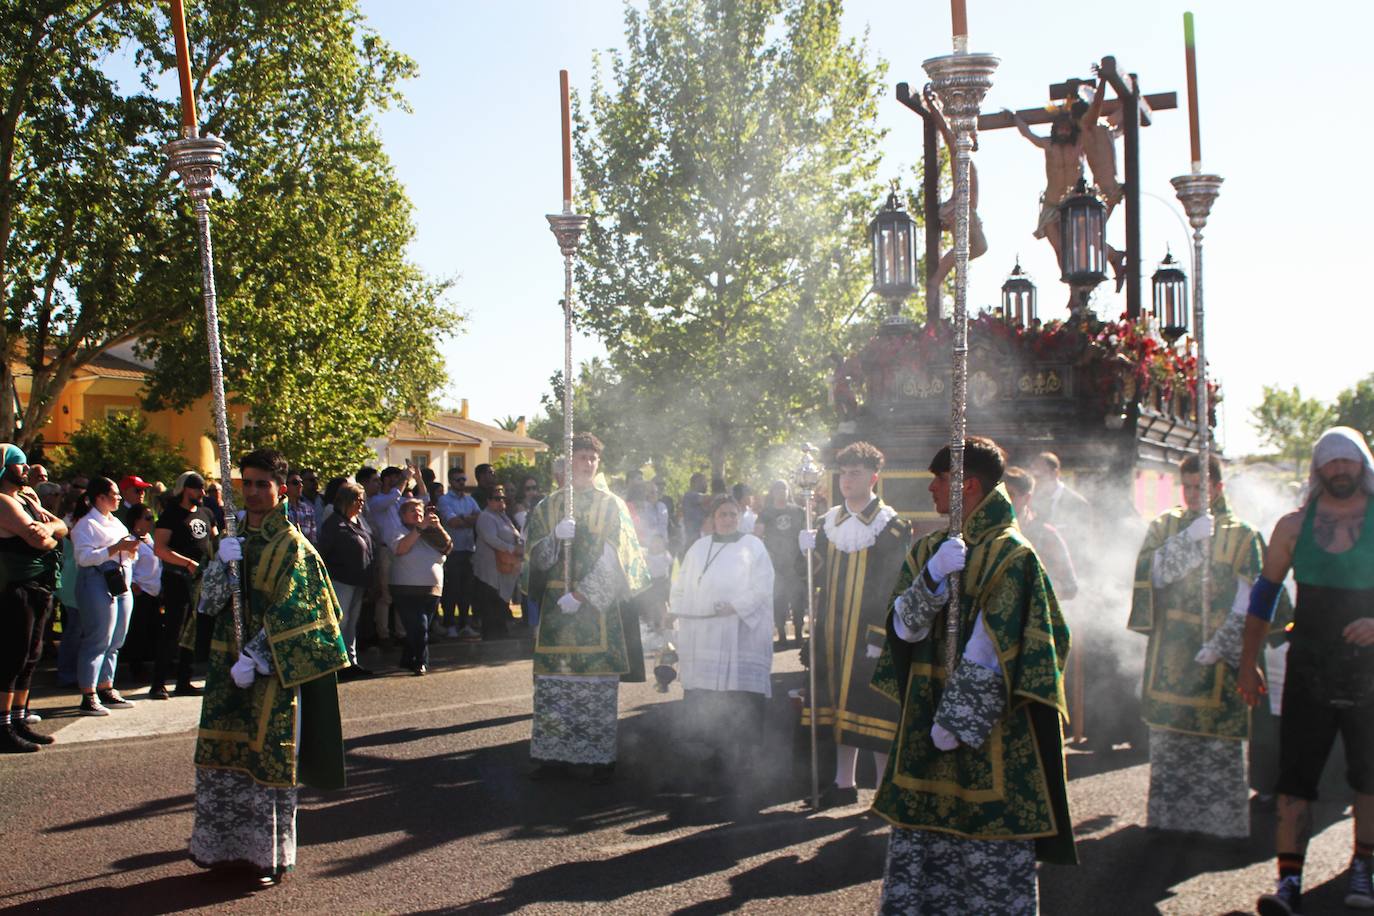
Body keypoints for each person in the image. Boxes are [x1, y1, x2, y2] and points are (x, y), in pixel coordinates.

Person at [872, 436, 1075, 914]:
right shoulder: (929, 550)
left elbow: (998, 643)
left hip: (988, 731)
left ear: (969, 484)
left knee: (989, 854)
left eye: (940, 480)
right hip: (927, 722)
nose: (931, 490)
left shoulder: (1013, 555)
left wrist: (958, 720)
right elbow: (903, 624)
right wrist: (933, 579)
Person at [189, 448, 348, 884]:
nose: (255, 492)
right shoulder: (229, 536)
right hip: (227, 667)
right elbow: (209, 602)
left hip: (269, 671)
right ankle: (224, 849)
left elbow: (302, 612)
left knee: (265, 759)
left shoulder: (293, 547)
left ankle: (264, 856)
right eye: (248, 483)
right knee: (224, 753)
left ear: (281, 490)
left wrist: (257, 657)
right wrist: (220, 564)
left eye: (264, 484)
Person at [1239, 428, 1374, 915]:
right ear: (1318, 470)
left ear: (1363, 465)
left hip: (1371, 670)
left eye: (1348, 462)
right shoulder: (1293, 526)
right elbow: (1264, 594)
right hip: (1309, 665)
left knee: (1369, 775)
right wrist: (1248, 660)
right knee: (1294, 778)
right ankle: (1288, 884)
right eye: (1331, 463)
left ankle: (1364, 868)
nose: (1340, 470)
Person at [1128, 453, 1278, 840]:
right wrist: (1188, 542)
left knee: (1217, 749)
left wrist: (1223, 644)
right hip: (1172, 653)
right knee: (1172, 744)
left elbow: (1252, 599)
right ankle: (1168, 825)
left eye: (1202, 487)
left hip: (1219, 655)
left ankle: (1218, 831)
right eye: (1189, 487)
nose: (1195, 495)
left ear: (1218, 487)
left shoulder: (1243, 534)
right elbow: (1152, 576)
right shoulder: (1166, 526)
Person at [525, 433, 650, 783]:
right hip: (555, 609)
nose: (588, 463)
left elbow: (618, 557)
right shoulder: (548, 506)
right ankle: (552, 756)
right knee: (555, 684)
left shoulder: (612, 505)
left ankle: (596, 757)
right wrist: (554, 538)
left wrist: (581, 595)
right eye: (581, 457)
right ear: (569, 461)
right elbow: (533, 558)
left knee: (594, 687)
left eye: (593, 458)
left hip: (596, 610)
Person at [797, 441, 911, 808]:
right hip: (832, 629)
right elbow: (815, 580)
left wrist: (879, 636)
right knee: (839, 709)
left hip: (869, 633)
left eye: (855, 473)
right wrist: (806, 553)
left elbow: (894, 585)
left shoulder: (892, 526)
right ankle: (843, 784)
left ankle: (883, 791)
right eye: (843, 473)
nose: (847, 480)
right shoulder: (825, 524)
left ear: (874, 478)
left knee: (874, 711)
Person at [670, 494, 774, 778]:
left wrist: (737, 607)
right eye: (722, 515)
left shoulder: (754, 546)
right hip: (704, 635)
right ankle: (712, 753)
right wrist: (674, 610)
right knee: (708, 697)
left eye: (733, 514)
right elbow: (681, 586)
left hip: (740, 634)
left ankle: (746, 757)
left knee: (739, 696)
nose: (728, 520)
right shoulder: (698, 548)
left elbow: (763, 587)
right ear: (712, 519)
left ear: (740, 516)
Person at [0, 444, 65, 751]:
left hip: (39, 586)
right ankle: (3, 725)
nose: (26, 469)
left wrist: (49, 529)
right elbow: (38, 540)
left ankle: (19, 719)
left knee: (31, 657)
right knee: (12, 658)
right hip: (17, 587)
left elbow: (62, 526)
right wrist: (50, 533)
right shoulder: (2, 502)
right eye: (19, 464)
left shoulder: (25, 498)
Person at [70, 476, 140, 716]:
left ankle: (106, 686)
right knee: (98, 638)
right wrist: (116, 549)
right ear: (100, 497)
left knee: (116, 639)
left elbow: (126, 550)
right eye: (115, 494)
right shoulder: (86, 525)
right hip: (96, 582)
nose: (119, 498)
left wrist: (131, 550)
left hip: (120, 582)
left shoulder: (116, 523)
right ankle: (88, 694)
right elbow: (84, 558)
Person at [151, 471, 216, 700]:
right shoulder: (171, 515)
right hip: (177, 578)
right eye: (197, 488)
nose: (201, 493)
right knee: (173, 630)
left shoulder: (206, 513)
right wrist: (187, 563)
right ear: (185, 489)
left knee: (193, 632)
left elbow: (214, 541)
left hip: (201, 580)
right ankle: (158, 682)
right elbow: (159, 548)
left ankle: (184, 679)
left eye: (203, 489)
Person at [317, 482, 374, 678]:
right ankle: (336, 663)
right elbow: (322, 552)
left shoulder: (358, 521)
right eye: (357, 500)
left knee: (352, 623)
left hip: (358, 579)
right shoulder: (333, 523)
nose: (361, 504)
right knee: (341, 622)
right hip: (340, 580)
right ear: (345, 500)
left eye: (362, 500)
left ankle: (351, 661)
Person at [389, 497, 450, 674]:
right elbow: (400, 549)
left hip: (432, 589)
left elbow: (447, 547)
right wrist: (419, 528)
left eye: (420, 512)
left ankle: (407, 658)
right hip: (406, 588)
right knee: (420, 626)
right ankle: (421, 661)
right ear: (402, 515)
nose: (418, 514)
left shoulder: (431, 532)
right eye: (412, 511)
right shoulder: (398, 530)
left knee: (417, 628)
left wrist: (437, 527)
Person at [1004, 467, 1077, 599]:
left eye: (1010, 494)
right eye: (1001, 494)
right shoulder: (990, 530)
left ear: (1026, 498)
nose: (1004, 500)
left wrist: (1039, 591)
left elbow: (1070, 587)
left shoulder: (1046, 535)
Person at [757, 479, 806, 646]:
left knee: (798, 600)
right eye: (777, 489)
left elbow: (807, 533)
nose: (781, 492)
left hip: (796, 564)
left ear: (788, 491)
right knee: (779, 600)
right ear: (772, 492)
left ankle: (799, 634)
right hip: (775, 566)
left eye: (784, 488)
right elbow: (757, 535)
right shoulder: (766, 512)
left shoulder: (798, 511)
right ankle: (782, 636)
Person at [475, 485, 523, 640]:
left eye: (503, 498)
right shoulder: (485, 516)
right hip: (489, 568)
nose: (501, 501)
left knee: (501, 601)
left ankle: (500, 633)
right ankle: (491, 637)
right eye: (496, 499)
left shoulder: (503, 516)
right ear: (488, 501)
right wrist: (512, 548)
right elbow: (491, 539)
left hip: (503, 567)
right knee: (491, 602)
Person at [438, 467, 481, 639]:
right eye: (458, 480)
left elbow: (480, 518)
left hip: (468, 549)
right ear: (450, 481)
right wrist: (467, 519)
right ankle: (449, 625)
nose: (462, 483)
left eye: (463, 479)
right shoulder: (444, 500)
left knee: (466, 591)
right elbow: (453, 522)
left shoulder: (470, 500)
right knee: (452, 591)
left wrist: (464, 519)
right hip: (452, 551)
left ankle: (465, 624)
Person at [124, 504, 162, 689]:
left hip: (154, 591)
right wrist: (133, 586)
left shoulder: (149, 538)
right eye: (147, 518)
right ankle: (136, 668)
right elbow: (128, 566)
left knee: (152, 630)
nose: (151, 522)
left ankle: (149, 665)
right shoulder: (131, 540)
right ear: (136, 520)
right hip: (141, 592)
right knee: (138, 632)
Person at [285, 470, 319, 545]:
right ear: (285, 486)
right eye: (295, 483)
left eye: (301, 482)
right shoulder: (280, 509)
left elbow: (313, 539)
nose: (300, 485)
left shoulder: (308, 510)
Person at [680, 473, 709, 558]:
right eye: (703, 482)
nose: (705, 484)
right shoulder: (689, 495)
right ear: (694, 483)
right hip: (692, 539)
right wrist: (719, 493)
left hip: (701, 537)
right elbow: (706, 499)